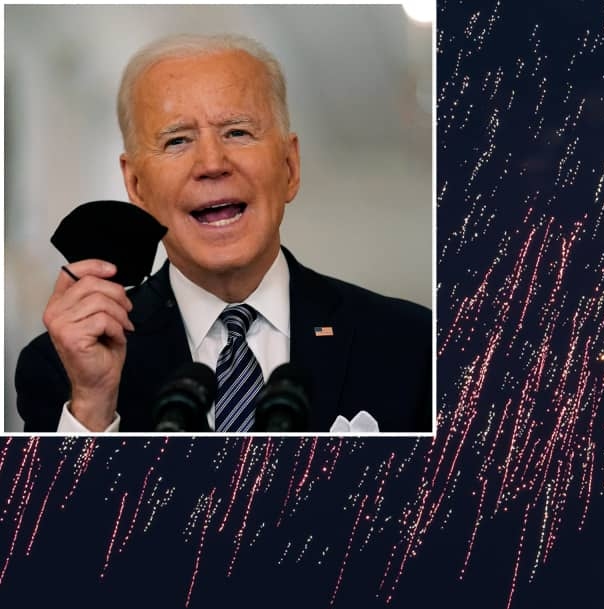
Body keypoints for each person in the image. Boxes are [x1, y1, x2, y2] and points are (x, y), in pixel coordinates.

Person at [14, 33, 433, 433]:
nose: (212, 162)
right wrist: (93, 404)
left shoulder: (411, 346)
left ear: (289, 167)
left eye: (237, 132)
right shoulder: (62, 368)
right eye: (177, 140)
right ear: (136, 186)